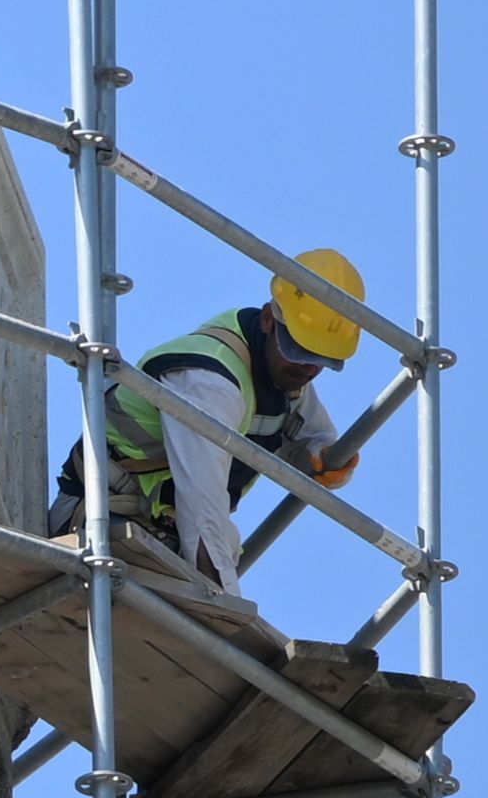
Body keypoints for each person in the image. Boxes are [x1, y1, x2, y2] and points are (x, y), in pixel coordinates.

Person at [88, 245, 372, 582]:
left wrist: (324, 458)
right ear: (269, 319)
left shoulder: (283, 372)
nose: (308, 369)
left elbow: (314, 440)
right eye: (299, 351)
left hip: (162, 536)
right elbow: (202, 514)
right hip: (105, 524)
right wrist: (223, 615)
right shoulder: (209, 384)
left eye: (321, 360)